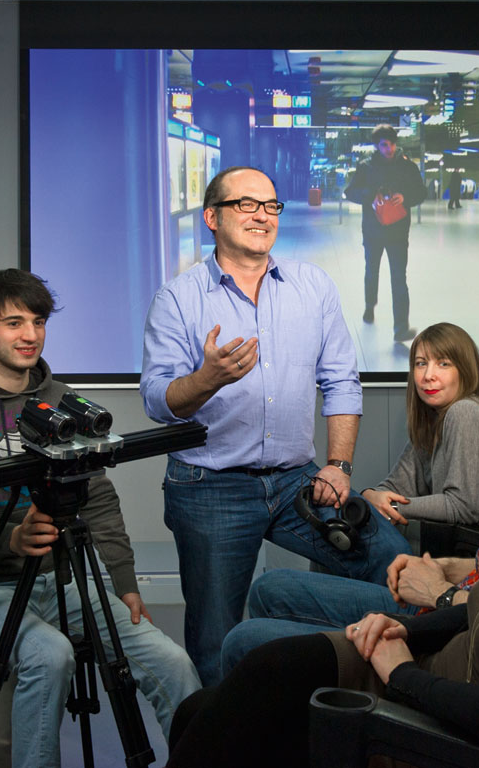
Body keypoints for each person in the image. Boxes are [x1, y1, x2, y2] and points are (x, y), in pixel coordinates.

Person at [167, 403, 479, 767]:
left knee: (249, 694)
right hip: (413, 670)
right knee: (198, 710)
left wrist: (401, 673)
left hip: (430, 718)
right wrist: (402, 628)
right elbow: (472, 611)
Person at [220, 306, 479, 675]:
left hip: (451, 621)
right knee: (274, 586)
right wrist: (445, 566)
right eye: (420, 363)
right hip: (459, 591)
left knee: (248, 634)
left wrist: (440, 594)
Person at [0, 269, 200, 768]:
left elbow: (99, 498)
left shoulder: (60, 400)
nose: (30, 336)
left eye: (38, 322)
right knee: (49, 654)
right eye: (14, 323)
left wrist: (124, 583)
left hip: (64, 582)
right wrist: (9, 541)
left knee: (170, 661)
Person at [140, 166, 411, 685]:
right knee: (216, 638)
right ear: (212, 218)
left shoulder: (312, 286)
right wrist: (207, 379)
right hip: (209, 486)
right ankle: (223, 740)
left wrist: (338, 464)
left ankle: (381, 688)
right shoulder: (178, 298)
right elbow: (158, 399)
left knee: (392, 560)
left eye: (270, 206)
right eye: (246, 204)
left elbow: (341, 381)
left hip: (297, 480)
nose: (262, 215)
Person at [359, 322, 479, 531]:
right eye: (421, 363)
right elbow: (396, 485)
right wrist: (369, 495)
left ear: (465, 370)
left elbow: (464, 507)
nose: (428, 375)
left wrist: (392, 506)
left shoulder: (466, 412)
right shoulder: (433, 420)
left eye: (443, 364)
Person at [344, 124, 428, 341]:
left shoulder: (407, 167)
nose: (389, 149)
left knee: (399, 278)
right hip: (372, 230)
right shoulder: (366, 167)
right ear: (377, 145)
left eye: (391, 144)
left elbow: (421, 192)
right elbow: (350, 191)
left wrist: (405, 197)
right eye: (384, 145)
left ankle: (400, 327)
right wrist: (370, 195)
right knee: (372, 270)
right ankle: (369, 306)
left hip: (398, 232)